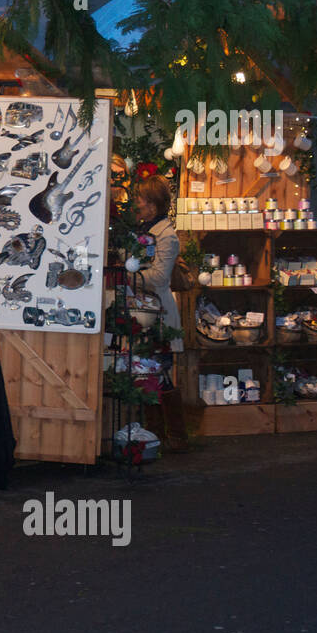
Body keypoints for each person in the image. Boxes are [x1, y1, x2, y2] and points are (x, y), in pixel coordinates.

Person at [132, 174, 187, 451]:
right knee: (146, 375)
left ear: (153, 204)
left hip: (159, 315)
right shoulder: (143, 231)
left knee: (160, 374)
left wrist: (128, 276)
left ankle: (175, 436)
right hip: (141, 311)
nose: (136, 203)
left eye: (140, 198)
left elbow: (159, 276)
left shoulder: (167, 236)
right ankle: (156, 435)